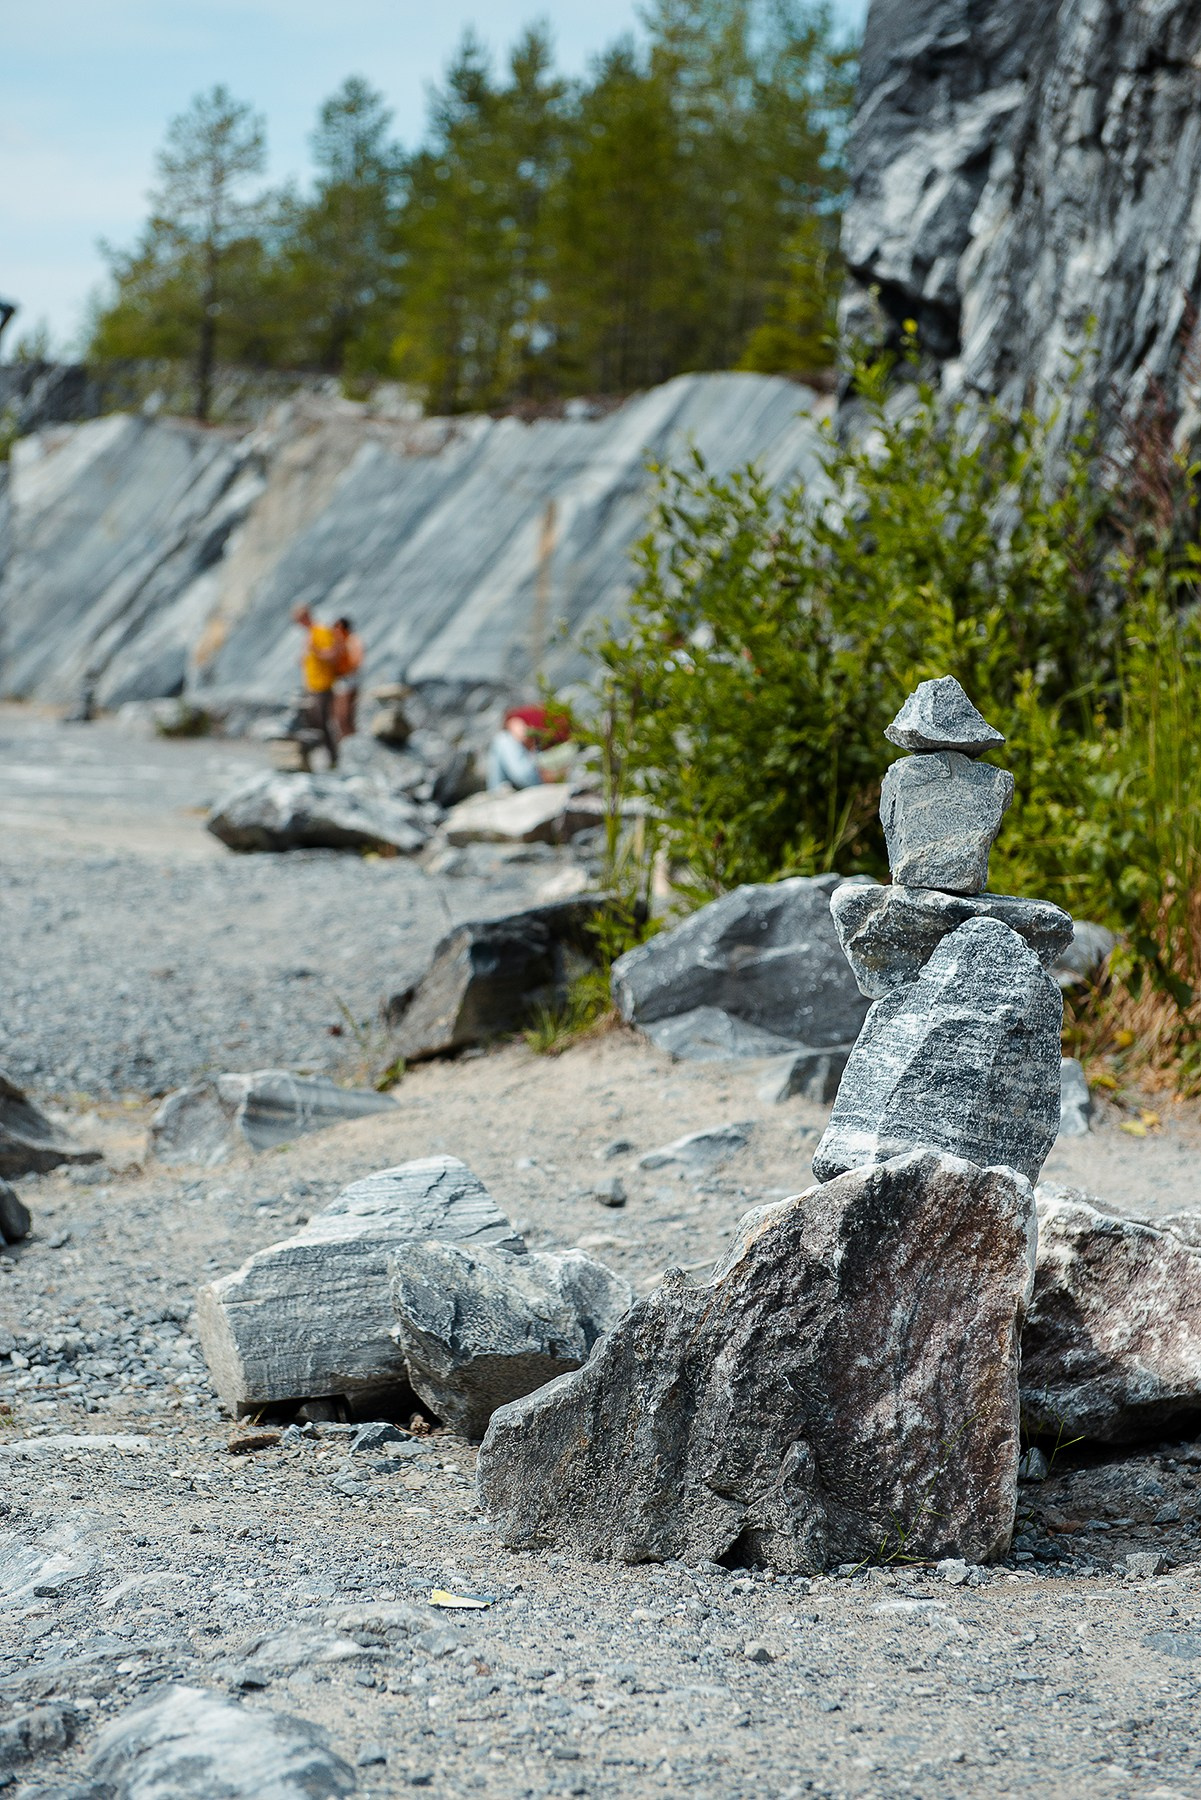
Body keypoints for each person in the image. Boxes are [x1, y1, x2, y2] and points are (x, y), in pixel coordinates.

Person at [293, 606, 341, 767]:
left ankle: (333, 758)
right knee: (313, 722)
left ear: (306, 616)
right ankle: (319, 757)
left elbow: (332, 655)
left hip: (323, 685)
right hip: (312, 685)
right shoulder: (309, 634)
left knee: (323, 722)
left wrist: (317, 652)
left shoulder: (320, 631)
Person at [486, 709, 546, 790]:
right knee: (501, 740)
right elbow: (512, 720)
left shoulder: (552, 719)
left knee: (501, 739)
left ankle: (496, 790)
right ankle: (497, 789)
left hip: (536, 773)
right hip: (530, 765)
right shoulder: (536, 714)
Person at [332, 616, 364, 740]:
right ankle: (347, 740)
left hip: (348, 680)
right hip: (341, 680)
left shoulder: (352, 640)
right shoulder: (340, 642)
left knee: (345, 715)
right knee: (339, 716)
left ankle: (351, 740)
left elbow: (357, 660)